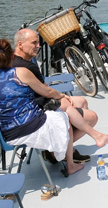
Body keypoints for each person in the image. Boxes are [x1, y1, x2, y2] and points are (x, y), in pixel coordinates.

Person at [0, 38, 108, 176]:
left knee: (64, 112)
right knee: (64, 118)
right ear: (12, 55)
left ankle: (91, 140)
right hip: (30, 126)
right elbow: (47, 92)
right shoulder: (20, 72)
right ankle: (70, 165)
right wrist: (62, 96)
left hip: (9, 133)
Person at [11, 28, 92, 165]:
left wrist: (61, 97)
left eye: (38, 42)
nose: (39, 46)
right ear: (20, 44)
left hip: (36, 103)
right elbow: (45, 91)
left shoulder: (18, 61)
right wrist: (62, 97)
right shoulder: (25, 67)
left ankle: (59, 150)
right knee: (90, 118)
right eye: (34, 43)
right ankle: (62, 151)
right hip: (36, 108)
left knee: (82, 102)